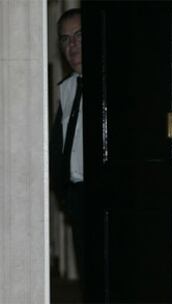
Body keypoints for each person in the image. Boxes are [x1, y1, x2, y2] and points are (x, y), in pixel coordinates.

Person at [50, 7, 86, 299]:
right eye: (65, 40)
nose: (72, 46)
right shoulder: (66, 89)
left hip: (109, 196)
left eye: (79, 36)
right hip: (77, 198)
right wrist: (63, 193)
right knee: (87, 275)